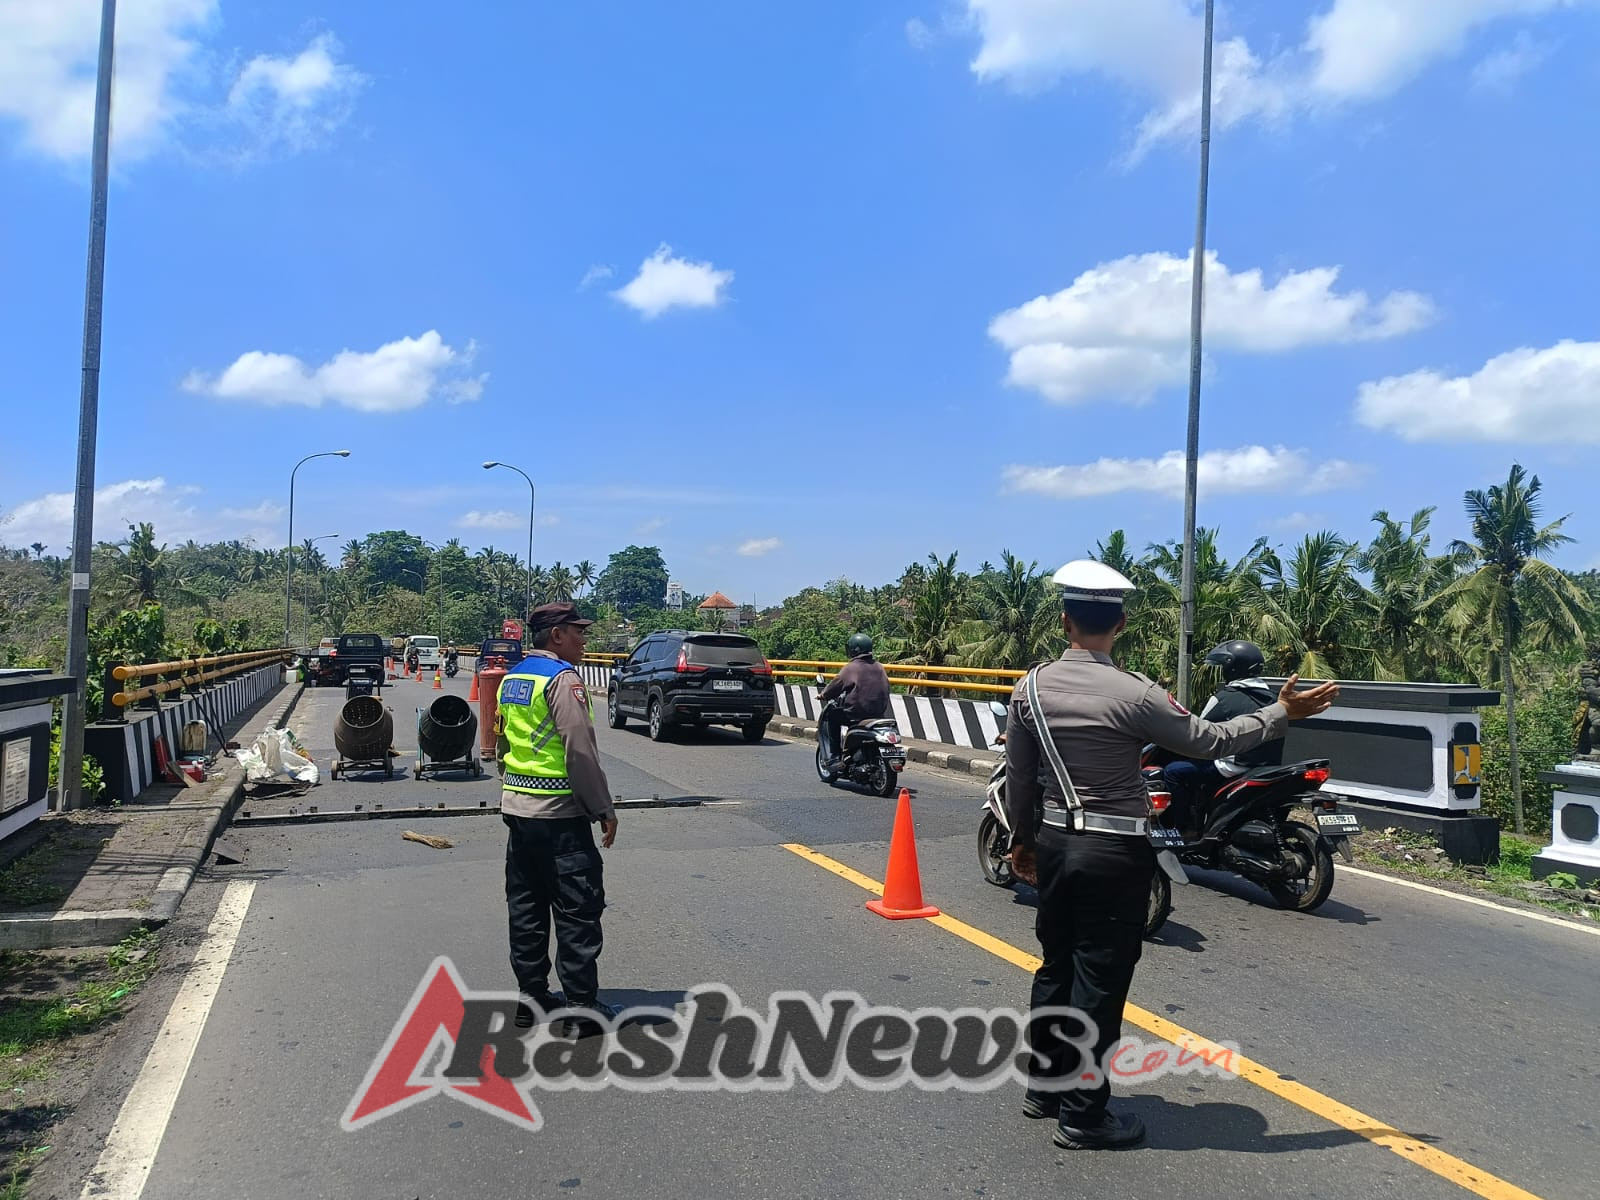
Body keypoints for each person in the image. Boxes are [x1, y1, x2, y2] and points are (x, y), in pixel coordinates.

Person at [1005, 561, 1338, 1151]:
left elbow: (1020, 778)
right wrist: (1283, 712)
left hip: (1055, 842)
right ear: (1121, 625)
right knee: (1100, 979)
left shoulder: (1029, 687)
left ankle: (1045, 1088)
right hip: (1114, 850)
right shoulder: (1136, 693)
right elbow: (1212, 741)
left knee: (1056, 964)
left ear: (1064, 623)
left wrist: (1023, 841)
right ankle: (1083, 1115)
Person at [496, 602, 620, 1035]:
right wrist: (602, 808)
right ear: (556, 635)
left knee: (527, 907)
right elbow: (579, 751)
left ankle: (530, 1000)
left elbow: (502, 742)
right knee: (577, 910)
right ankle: (581, 1009)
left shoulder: (514, 677)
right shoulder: (562, 680)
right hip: (560, 814)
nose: (584, 640)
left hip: (518, 811)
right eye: (577, 632)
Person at [1161, 639, 1280, 835]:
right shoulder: (1274, 698)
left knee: (1174, 771)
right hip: (1267, 767)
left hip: (1232, 767)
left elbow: (1197, 731)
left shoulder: (1223, 698)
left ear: (1232, 668)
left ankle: (1182, 828)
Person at [817, 632, 891, 773]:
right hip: (878, 714)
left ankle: (834, 756)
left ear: (854, 649)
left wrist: (823, 695)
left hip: (855, 715)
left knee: (831, 717)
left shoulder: (851, 668)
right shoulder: (879, 667)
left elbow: (835, 685)